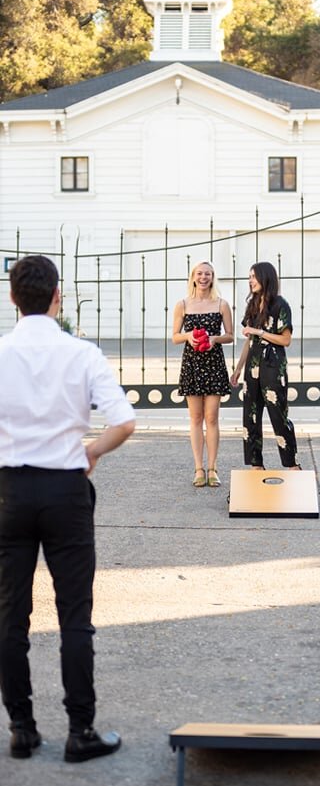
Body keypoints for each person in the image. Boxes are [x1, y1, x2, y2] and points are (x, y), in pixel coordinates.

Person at [0, 255, 135, 762]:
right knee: (74, 614)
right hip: (65, 491)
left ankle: (22, 728)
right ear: (57, 296)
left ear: (13, 298)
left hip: (10, 492)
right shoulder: (82, 354)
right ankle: (81, 731)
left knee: (10, 614)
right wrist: (92, 450)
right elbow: (123, 422)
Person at [230, 261, 298, 469]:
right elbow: (248, 341)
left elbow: (285, 340)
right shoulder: (252, 305)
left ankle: (292, 464)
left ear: (265, 277)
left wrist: (260, 332)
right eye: (249, 276)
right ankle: (256, 465)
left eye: (254, 276)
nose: (250, 280)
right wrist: (238, 368)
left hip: (273, 365)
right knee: (250, 415)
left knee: (278, 414)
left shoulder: (280, 304)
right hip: (252, 366)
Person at [171, 261, 233, 487]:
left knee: (212, 417)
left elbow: (231, 335)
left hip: (214, 363)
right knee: (195, 418)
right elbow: (175, 337)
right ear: (193, 277)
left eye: (208, 273)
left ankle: (213, 468)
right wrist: (188, 336)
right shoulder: (183, 305)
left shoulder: (221, 305)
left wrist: (214, 338)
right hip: (192, 364)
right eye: (200, 273)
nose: (204, 277)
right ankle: (199, 469)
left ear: (213, 277)